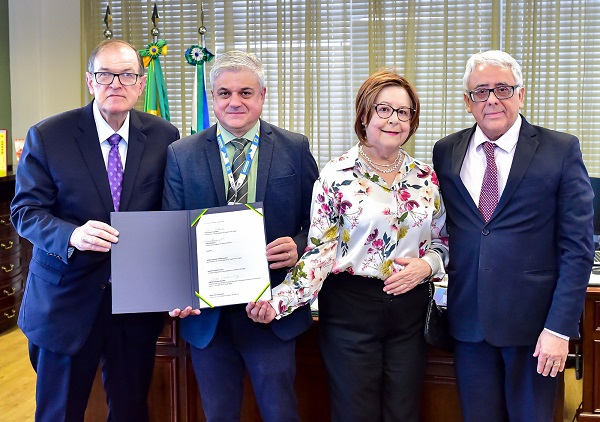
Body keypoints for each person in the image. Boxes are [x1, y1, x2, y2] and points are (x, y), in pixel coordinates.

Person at [247, 69, 448, 422]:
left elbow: (444, 241)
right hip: (350, 309)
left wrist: (426, 266)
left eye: (404, 112)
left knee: (404, 412)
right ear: (365, 114)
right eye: (384, 109)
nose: (394, 119)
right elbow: (320, 252)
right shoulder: (337, 175)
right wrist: (277, 301)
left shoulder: (425, 176)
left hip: (410, 310)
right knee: (356, 413)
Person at [10, 39, 180, 421]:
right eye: (105, 74)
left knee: (130, 410)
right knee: (60, 412)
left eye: (127, 74)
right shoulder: (49, 135)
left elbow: (171, 214)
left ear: (140, 83)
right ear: (90, 81)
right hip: (65, 302)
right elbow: (25, 211)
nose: (115, 83)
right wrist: (72, 235)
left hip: (134, 304)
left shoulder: (164, 137)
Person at [432, 50, 594, 422]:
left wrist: (559, 327)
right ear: (467, 101)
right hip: (469, 325)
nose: (491, 99)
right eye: (481, 91)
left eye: (502, 89)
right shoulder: (446, 151)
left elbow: (578, 249)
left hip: (535, 330)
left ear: (520, 95)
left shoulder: (560, 150)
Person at [164, 50, 319, 421]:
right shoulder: (180, 154)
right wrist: (177, 292)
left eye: (246, 93)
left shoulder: (294, 149)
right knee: (219, 414)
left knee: (280, 412)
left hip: (271, 309)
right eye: (224, 93)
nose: (235, 101)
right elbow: (172, 235)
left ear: (262, 95)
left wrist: (297, 246)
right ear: (212, 98)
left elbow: (319, 225)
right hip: (207, 317)